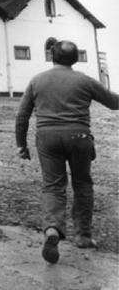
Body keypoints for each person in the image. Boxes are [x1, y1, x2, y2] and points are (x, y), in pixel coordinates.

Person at [15, 39, 119, 264]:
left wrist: (21, 144)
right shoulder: (84, 81)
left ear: (52, 56)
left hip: (47, 137)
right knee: (82, 184)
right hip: (79, 136)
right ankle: (83, 235)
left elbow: (22, 116)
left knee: (53, 186)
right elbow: (113, 103)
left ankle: (53, 228)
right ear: (75, 59)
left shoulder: (37, 80)